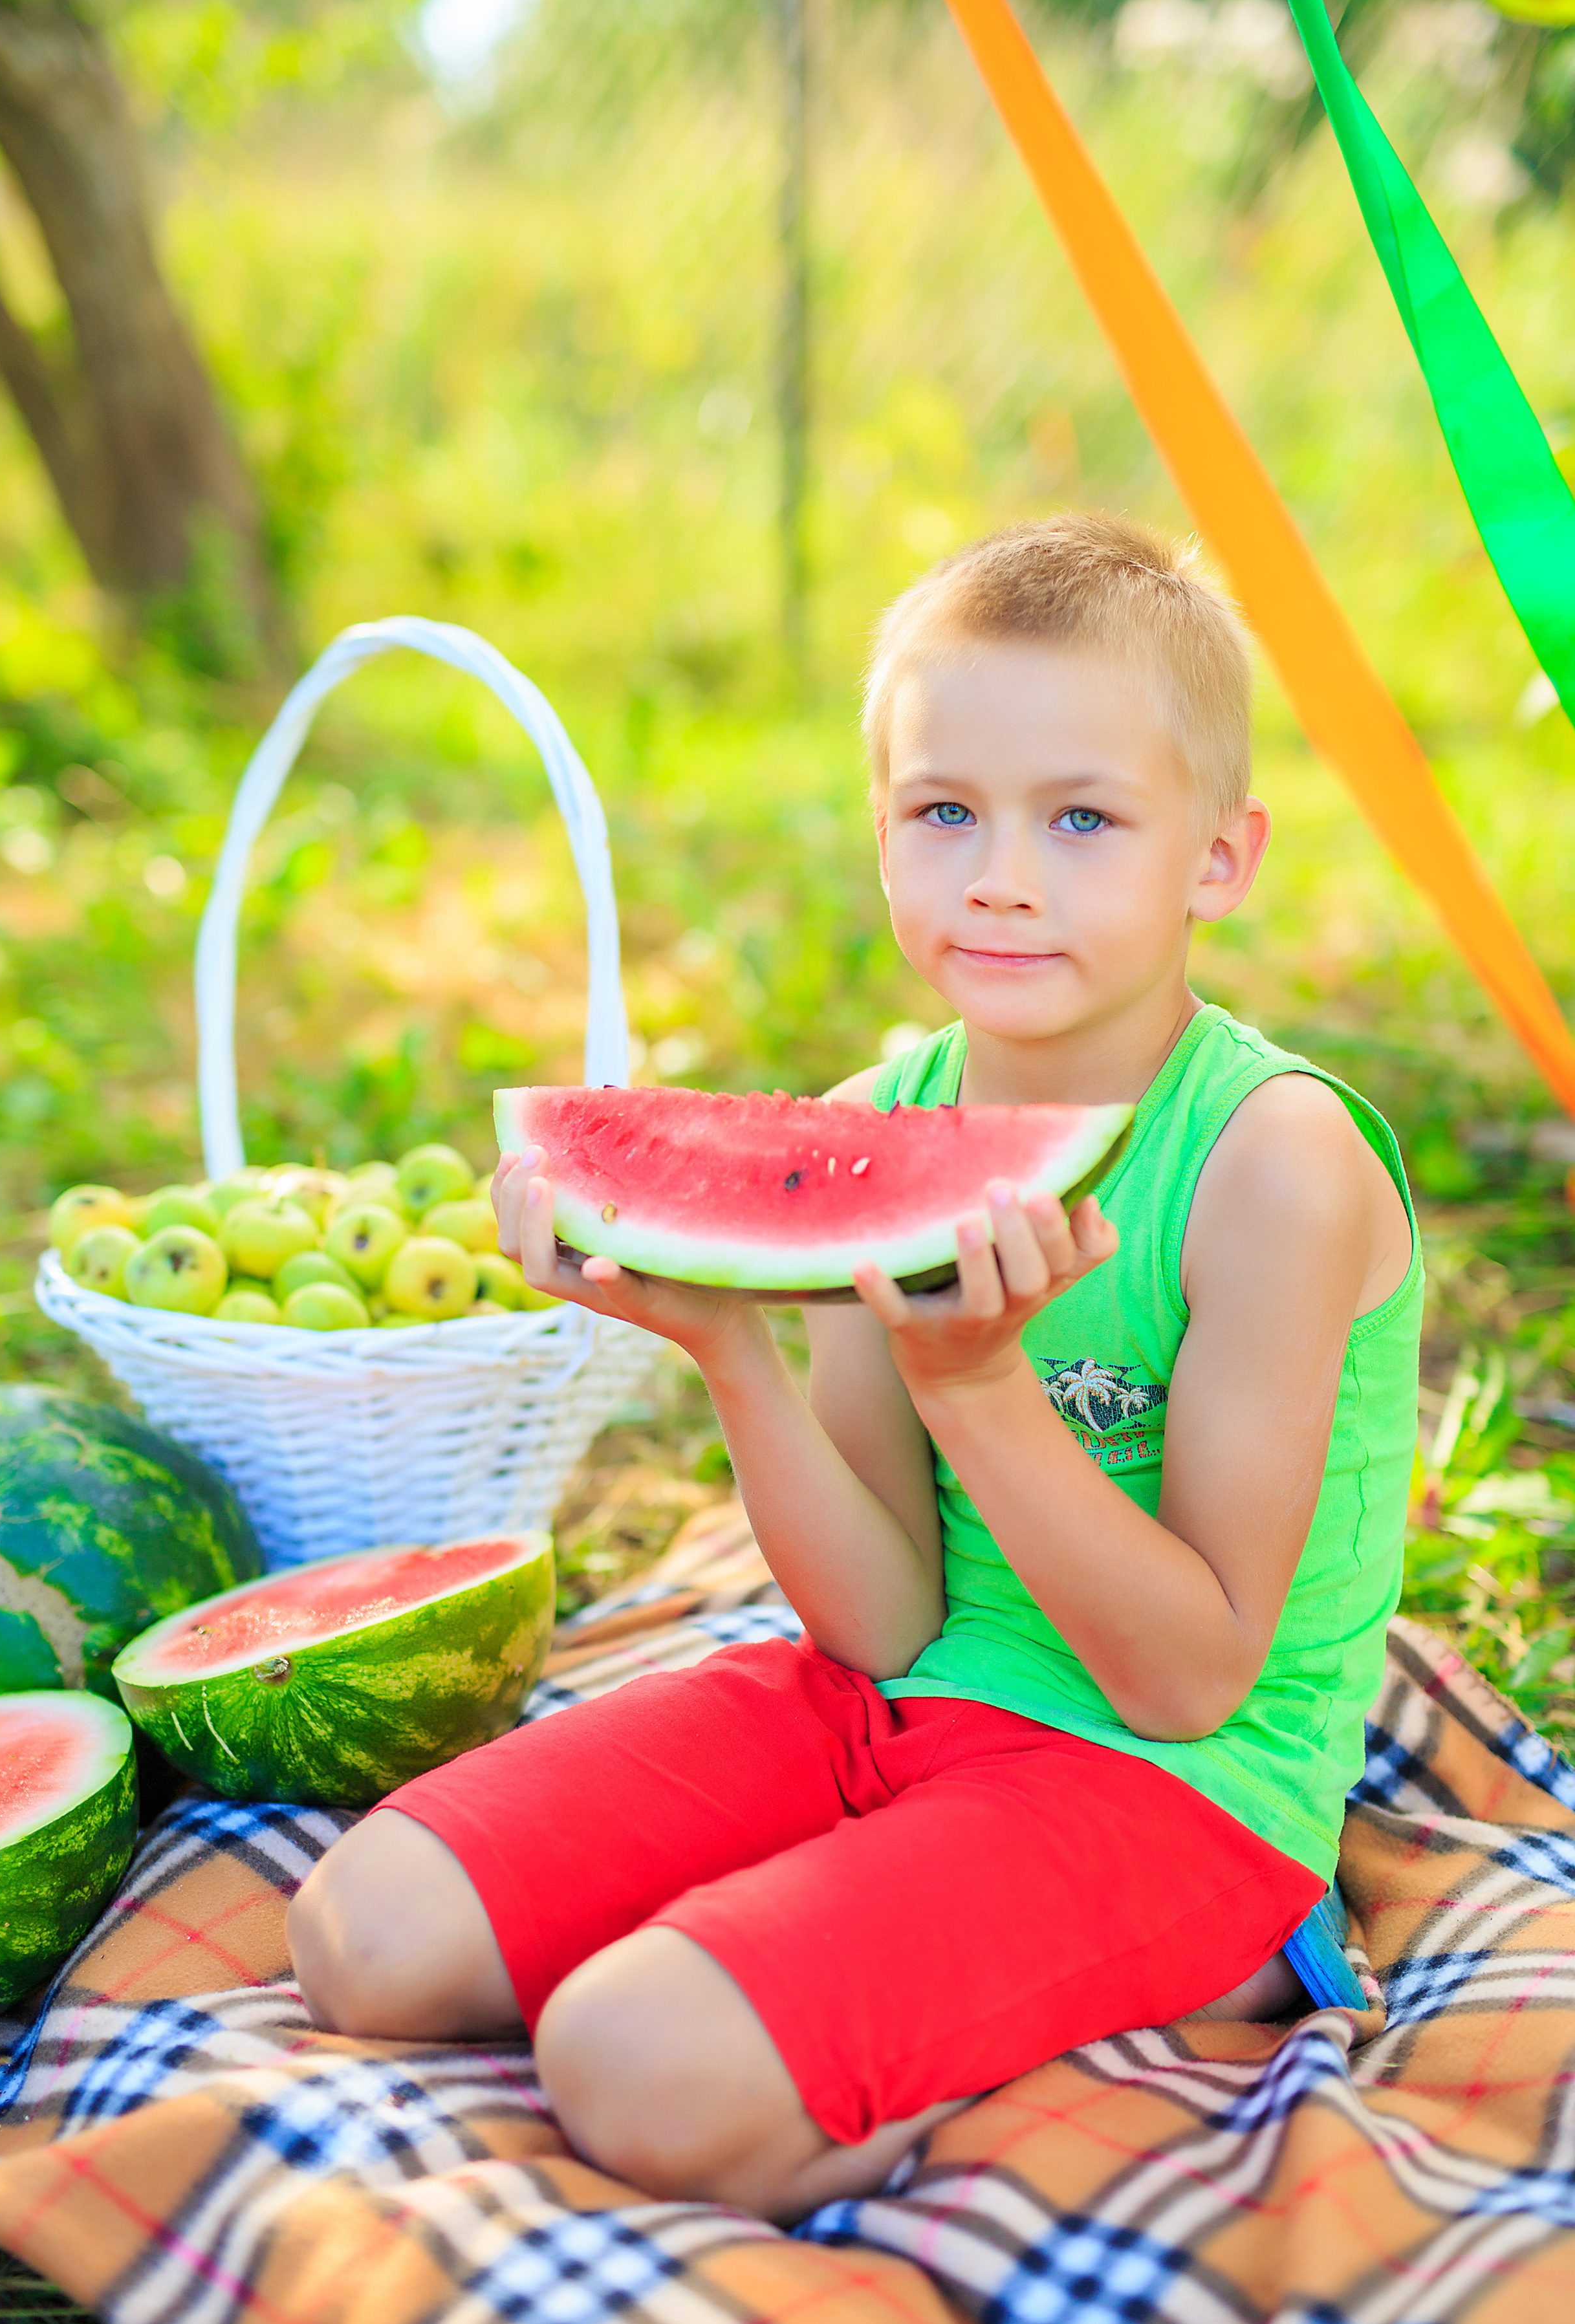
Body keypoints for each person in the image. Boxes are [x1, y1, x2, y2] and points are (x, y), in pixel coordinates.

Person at [288, 511, 1420, 2224]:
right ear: (882, 836)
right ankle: (883, 1979)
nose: (1004, 875)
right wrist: (728, 1348)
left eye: (1085, 819)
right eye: (943, 812)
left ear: (1219, 858)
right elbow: (879, 1622)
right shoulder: (875, 1127)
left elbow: (1188, 1681)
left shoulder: (1274, 1163)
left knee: (626, 2060)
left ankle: (1164, 2011)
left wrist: (983, 1390)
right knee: (363, 1936)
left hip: (1178, 1793)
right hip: (889, 1707)